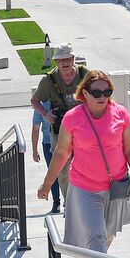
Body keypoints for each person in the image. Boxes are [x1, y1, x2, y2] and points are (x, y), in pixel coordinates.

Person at [36, 71, 130, 258]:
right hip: (85, 189)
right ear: (84, 94)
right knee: (97, 239)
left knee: (107, 234)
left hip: (117, 186)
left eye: (107, 91)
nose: (102, 96)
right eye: (96, 92)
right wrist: (47, 183)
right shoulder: (73, 118)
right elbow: (61, 153)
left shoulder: (120, 114)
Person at [31, 44, 87, 206]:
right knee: (63, 168)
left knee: (88, 162)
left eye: (68, 59)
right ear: (56, 62)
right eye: (61, 60)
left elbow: (101, 92)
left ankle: (86, 198)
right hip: (60, 131)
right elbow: (35, 101)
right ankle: (69, 203)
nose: (65, 63)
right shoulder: (49, 81)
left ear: (73, 59)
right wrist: (46, 114)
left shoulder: (85, 75)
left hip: (84, 129)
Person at [31, 96, 60, 214]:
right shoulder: (60, 101)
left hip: (49, 144)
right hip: (60, 142)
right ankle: (66, 201)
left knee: (52, 173)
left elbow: (36, 129)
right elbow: (36, 129)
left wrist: (34, 150)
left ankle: (56, 202)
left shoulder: (40, 107)